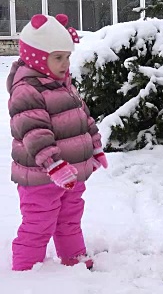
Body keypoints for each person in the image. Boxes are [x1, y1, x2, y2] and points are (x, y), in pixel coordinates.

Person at [7, 14, 108, 271]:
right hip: (41, 176)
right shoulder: (28, 89)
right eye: (58, 57)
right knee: (39, 222)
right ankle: (26, 269)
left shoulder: (62, 85)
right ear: (37, 57)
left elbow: (83, 118)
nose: (65, 64)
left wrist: (95, 147)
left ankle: (73, 260)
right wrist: (54, 165)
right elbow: (34, 133)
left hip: (71, 173)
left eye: (67, 57)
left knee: (70, 218)